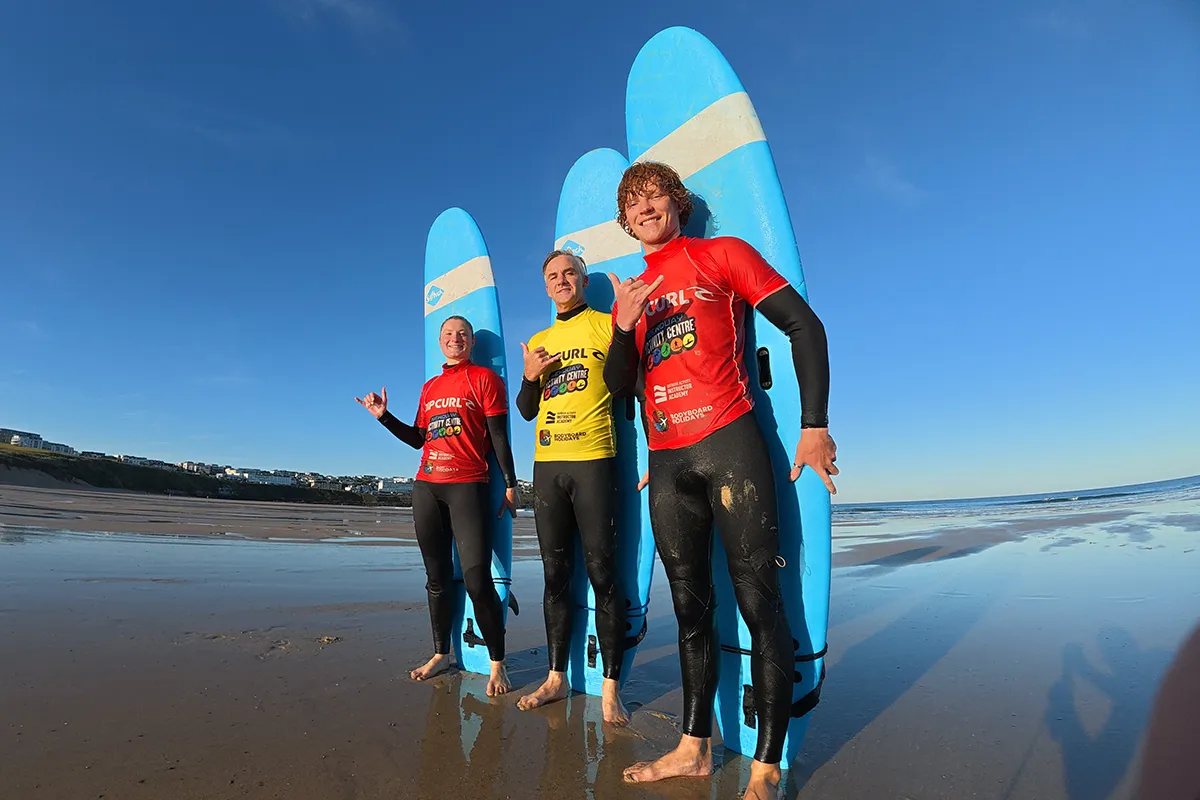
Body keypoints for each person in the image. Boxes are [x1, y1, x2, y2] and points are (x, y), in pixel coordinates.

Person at [603, 162, 837, 800]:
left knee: (761, 603)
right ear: (626, 222)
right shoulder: (632, 294)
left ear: (677, 203)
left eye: (655, 195)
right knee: (689, 610)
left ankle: (766, 767)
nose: (645, 207)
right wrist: (623, 325)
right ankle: (694, 747)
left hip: (730, 444)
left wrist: (813, 425)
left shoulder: (720, 254)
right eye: (633, 203)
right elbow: (619, 386)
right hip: (668, 463)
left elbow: (804, 325)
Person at [355, 315, 519, 697]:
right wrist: (383, 417)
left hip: (468, 486)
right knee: (436, 579)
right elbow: (418, 439)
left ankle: (498, 664)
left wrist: (511, 485)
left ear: (472, 342)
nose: (455, 338)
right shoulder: (430, 387)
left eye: (462, 334)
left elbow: (498, 437)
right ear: (440, 342)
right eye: (448, 334)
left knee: (477, 581)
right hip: (427, 487)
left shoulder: (486, 379)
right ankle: (441, 654)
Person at [512, 249, 630, 725]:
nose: (561, 280)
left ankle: (610, 687)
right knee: (555, 577)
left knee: (603, 575)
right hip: (547, 467)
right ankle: (556, 677)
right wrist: (529, 377)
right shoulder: (540, 341)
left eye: (569, 273)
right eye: (553, 276)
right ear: (546, 287)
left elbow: (626, 385)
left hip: (594, 460)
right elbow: (526, 410)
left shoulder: (605, 325)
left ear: (582, 281)